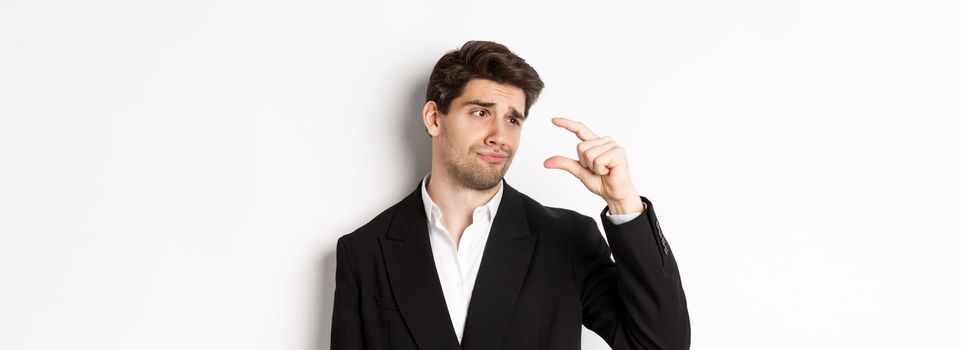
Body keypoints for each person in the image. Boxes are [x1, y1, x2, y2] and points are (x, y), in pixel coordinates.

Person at [330, 40, 690, 350]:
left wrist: (624, 203)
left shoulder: (567, 240)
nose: (499, 135)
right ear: (434, 119)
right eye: (481, 112)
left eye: (513, 120)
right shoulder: (364, 251)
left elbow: (660, 343)